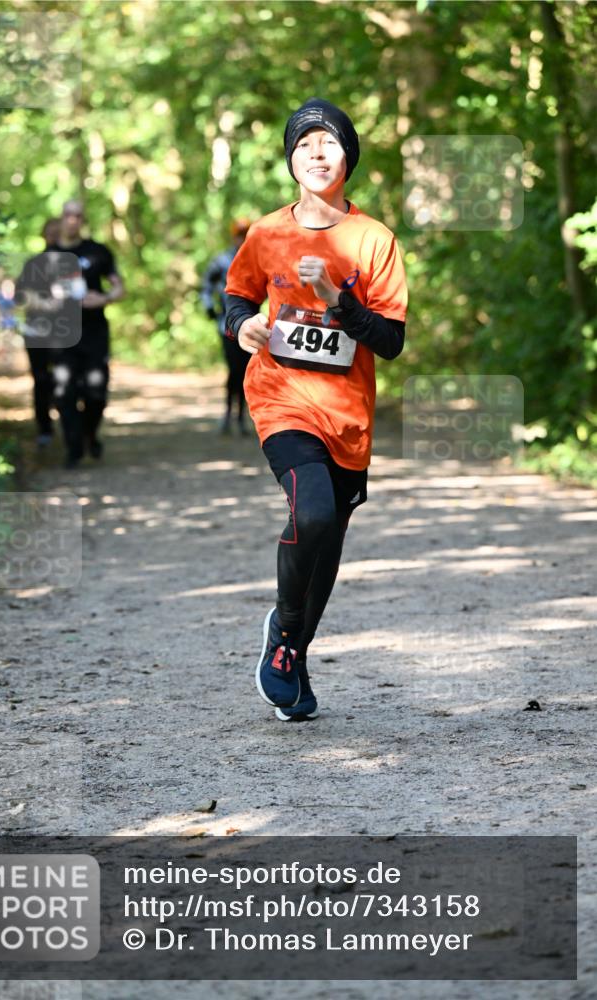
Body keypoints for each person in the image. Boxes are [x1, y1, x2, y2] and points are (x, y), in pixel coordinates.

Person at [225, 97, 408, 722]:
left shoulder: (374, 240)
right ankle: (283, 643)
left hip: (348, 415)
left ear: (347, 159)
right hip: (280, 398)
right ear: (291, 160)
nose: (317, 152)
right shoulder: (267, 233)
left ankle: (291, 643)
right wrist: (243, 326)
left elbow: (391, 341)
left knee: (327, 539)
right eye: (305, 144)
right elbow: (236, 296)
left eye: (329, 142)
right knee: (313, 509)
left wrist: (339, 302)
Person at [47, 200, 124, 468]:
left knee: (96, 393)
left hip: (94, 335)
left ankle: (90, 434)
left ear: (83, 220)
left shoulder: (98, 252)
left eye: (78, 216)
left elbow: (118, 288)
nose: (73, 220)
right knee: (64, 392)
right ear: (61, 218)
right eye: (68, 215)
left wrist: (102, 299)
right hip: (62, 337)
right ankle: (73, 447)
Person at [201, 219, 252, 435]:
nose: (242, 238)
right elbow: (205, 285)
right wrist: (209, 307)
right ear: (234, 236)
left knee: (246, 371)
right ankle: (228, 414)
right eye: (239, 234)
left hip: (251, 326)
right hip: (226, 325)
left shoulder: (256, 259)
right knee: (234, 370)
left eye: (245, 234)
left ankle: (241, 417)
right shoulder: (222, 261)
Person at [16, 218, 62, 446]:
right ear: (43, 235)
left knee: (65, 378)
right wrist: (45, 304)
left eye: (58, 232)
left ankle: (69, 425)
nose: (54, 236)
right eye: (50, 233)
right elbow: (20, 296)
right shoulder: (33, 264)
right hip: (38, 332)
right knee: (41, 379)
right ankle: (44, 428)